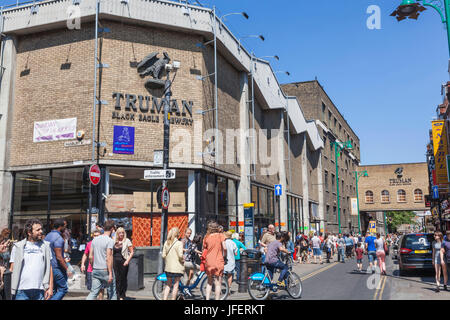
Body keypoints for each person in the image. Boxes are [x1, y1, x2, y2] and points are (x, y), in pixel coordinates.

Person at [9, 219, 53, 300]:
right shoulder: (18, 247)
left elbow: (49, 268)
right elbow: (12, 268)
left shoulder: (46, 246)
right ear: (29, 232)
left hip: (40, 290)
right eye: (38, 230)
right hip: (21, 290)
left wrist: (50, 287)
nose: (41, 231)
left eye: (41, 229)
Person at [86, 220, 117, 300]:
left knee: (93, 293)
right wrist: (110, 273)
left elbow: (90, 256)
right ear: (112, 228)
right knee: (112, 292)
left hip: (96, 269)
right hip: (105, 269)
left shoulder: (94, 240)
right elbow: (109, 257)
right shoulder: (110, 240)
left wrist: (93, 266)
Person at [45, 219, 72, 300]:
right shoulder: (58, 238)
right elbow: (59, 257)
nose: (66, 228)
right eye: (65, 226)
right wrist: (67, 269)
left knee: (52, 290)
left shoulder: (48, 236)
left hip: (48, 267)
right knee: (63, 289)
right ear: (60, 227)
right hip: (56, 268)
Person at [203, 221, 226, 300]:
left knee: (209, 282)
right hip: (218, 260)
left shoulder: (206, 237)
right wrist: (224, 256)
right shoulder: (221, 236)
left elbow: (204, 248)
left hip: (209, 261)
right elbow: (225, 248)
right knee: (218, 283)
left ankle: (207, 299)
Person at [162, 227, 184, 300]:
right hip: (177, 268)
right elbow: (180, 255)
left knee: (168, 285)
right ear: (177, 234)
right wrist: (183, 260)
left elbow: (163, 255)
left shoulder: (166, 242)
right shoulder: (179, 243)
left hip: (168, 267)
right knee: (176, 285)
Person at [113, 227, 134, 300]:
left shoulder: (127, 241)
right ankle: (117, 295)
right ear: (117, 234)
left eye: (122, 233)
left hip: (123, 262)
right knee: (116, 279)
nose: (121, 234)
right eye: (120, 233)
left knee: (123, 279)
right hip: (115, 262)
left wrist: (127, 261)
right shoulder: (114, 240)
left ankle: (122, 295)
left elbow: (131, 252)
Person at [80, 230, 102, 299]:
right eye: (94, 236)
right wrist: (82, 264)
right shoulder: (89, 244)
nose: (96, 237)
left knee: (101, 289)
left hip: (101, 269)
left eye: (97, 236)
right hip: (90, 269)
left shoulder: (103, 244)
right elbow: (85, 254)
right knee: (92, 290)